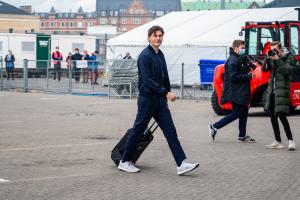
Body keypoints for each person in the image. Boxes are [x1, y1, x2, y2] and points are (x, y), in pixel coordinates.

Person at [118, 25, 199, 175]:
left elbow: (164, 76)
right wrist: (165, 93)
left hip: (160, 102)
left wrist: (167, 92)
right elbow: (147, 80)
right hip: (147, 100)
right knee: (138, 130)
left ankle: (181, 164)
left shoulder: (159, 54)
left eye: (160, 35)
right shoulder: (144, 56)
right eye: (155, 35)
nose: (158, 38)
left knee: (171, 132)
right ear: (149, 37)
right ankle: (124, 161)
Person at [209, 40, 256, 142]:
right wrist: (248, 76)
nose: (243, 50)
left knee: (244, 112)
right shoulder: (232, 60)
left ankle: (242, 135)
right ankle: (214, 126)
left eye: (244, 48)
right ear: (235, 48)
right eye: (241, 48)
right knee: (236, 113)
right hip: (236, 92)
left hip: (241, 91)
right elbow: (233, 76)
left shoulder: (238, 58)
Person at [263, 41, 296, 150]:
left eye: (275, 49)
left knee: (282, 115)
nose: (274, 51)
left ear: (281, 49)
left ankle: (291, 140)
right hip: (272, 91)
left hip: (281, 91)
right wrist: (268, 58)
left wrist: (278, 59)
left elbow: (287, 71)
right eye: (272, 49)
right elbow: (264, 69)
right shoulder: (272, 56)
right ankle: (277, 140)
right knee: (272, 116)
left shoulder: (289, 57)